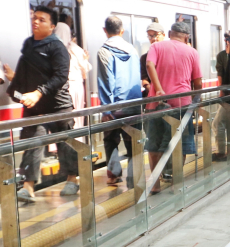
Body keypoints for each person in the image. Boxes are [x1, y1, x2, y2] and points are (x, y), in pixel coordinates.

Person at [6, 5, 79, 202]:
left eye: (41, 19)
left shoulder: (57, 48)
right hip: (35, 110)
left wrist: (38, 93)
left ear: (52, 26)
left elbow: (61, 76)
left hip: (59, 107)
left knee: (65, 144)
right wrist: (21, 96)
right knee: (32, 143)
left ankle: (72, 179)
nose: (35, 22)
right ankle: (28, 187)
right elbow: (15, 86)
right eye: (34, 18)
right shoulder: (28, 50)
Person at [145, 22, 202, 193]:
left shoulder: (156, 47)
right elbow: (198, 82)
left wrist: (159, 88)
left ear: (170, 33)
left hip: (156, 104)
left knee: (154, 145)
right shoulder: (192, 52)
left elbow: (149, 65)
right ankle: (176, 183)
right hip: (181, 104)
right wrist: (195, 100)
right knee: (180, 144)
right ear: (186, 37)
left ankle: (155, 184)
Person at [97, 15, 142, 187]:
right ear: (122, 31)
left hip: (115, 105)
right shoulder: (132, 49)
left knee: (110, 139)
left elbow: (105, 81)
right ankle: (134, 178)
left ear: (104, 30)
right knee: (133, 140)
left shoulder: (104, 51)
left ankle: (114, 174)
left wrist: (106, 110)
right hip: (134, 103)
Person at [54, 22, 90, 129]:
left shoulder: (53, 48)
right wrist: (86, 60)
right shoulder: (77, 49)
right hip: (77, 88)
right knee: (77, 120)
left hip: (62, 89)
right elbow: (85, 73)